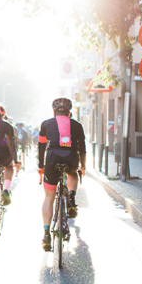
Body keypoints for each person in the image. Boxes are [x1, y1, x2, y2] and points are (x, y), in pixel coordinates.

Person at [37, 97, 86, 251]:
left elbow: (41, 146)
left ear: (54, 111)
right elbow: (82, 148)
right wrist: (82, 166)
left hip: (52, 158)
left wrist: (41, 166)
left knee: (49, 197)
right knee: (73, 173)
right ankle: (71, 198)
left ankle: (46, 234)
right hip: (71, 158)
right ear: (69, 112)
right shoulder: (77, 125)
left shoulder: (46, 124)